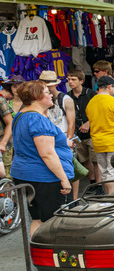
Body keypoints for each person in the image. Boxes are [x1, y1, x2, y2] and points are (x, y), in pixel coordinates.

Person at [10, 80, 74, 235]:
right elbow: (47, 153)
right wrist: (63, 178)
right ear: (36, 96)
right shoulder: (37, 119)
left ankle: (38, 254)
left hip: (25, 174)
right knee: (56, 221)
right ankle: (52, 256)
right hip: (45, 177)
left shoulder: (21, 116)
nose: (51, 94)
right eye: (46, 92)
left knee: (38, 219)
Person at [67, 69, 99, 191]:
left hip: (92, 132)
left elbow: (98, 112)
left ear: (81, 81)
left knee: (95, 160)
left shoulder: (90, 94)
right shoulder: (67, 96)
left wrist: (88, 123)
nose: (70, 82)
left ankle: (99, 185)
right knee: (85, 160)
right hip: (77, 133)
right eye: (69, 79)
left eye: (73, 79)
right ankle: (92, 183)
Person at [0, 85, 12, 178]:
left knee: (5, 177)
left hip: (3, 147)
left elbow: (10, 123)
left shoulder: (1, 101)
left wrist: (3, 143)